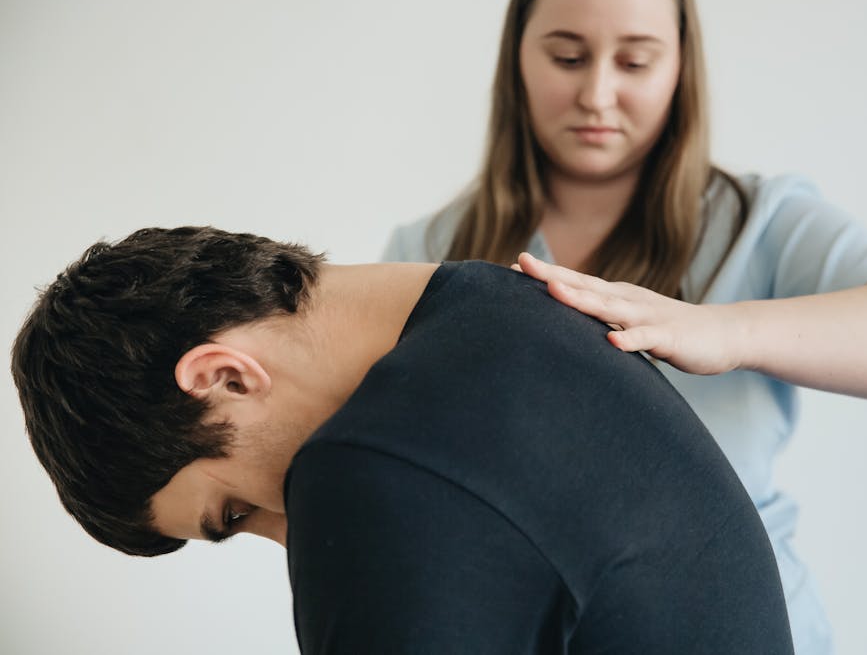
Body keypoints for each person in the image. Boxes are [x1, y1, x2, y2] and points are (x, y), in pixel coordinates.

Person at [381, 0, 867, 652]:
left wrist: (722, 329)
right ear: (516, 56)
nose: (597, 94)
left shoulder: (761, 222)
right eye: (567, 56)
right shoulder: (428, 251)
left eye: (636, 61)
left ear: (681, 63)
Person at [12, 226, 795, 654]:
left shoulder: (370, 471)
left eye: (232, 511)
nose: (285, 536)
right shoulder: (514, 311)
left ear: (224, 376)